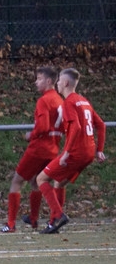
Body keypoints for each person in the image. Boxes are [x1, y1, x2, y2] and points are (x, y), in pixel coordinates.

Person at [34, 68, 106, 234]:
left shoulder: (68, 102)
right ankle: (53, 223)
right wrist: (99, 150)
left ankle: (58, 215)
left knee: (41, 179)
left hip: (76, 152)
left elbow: (76, 127)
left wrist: (66, 152)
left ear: (66, 83)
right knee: (59, 182)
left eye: (59, 81)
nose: (57, 84)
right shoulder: (83, 101)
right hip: (88, 153)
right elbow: (101, 125)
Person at [1, 66, 63, 232]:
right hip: (53, 148)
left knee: (16, 181)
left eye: (39, 79)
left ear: (48, 81)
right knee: (36, 181)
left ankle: (11, 224)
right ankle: (34, 219)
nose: (36, 82)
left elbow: (43, 127)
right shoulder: (59, 100)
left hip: (39, 148)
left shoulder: (44, 100)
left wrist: (31, 135)